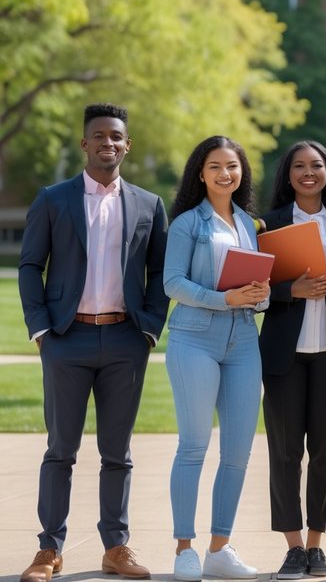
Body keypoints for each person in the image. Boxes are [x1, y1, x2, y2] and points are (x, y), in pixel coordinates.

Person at [18, 103, 168, 582]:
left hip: (126, 339)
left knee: (117, 452)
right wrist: (41, 330)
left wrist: (148, 329)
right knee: (60, 449)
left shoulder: (148, 205)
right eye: (99, 136)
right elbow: (29, 266)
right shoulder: (53, 199)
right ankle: (49, 550)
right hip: (67, 338)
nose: (108, 143)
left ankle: (116, 547)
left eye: (117, 136)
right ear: (85, 144)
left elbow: (159, 272)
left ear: (128, 145)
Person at [163, 136, 269, 581]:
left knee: (239, 451)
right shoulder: (188, 223)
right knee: (194, 445)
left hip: (244, 341)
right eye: (215, 167)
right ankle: (185, 548)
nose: (225, 173)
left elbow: (254, 288)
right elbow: (173, 283)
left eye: (232, 166)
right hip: (194, 340)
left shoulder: (249, 223)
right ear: (200, 174)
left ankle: (219, 549)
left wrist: (258, 297)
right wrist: (222, 298)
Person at [260, 141, 326, 579]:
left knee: (324, 451)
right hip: (284, 350)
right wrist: (289, 290)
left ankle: (316, 544)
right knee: (285, 451)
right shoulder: (269, 223)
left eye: (316, 165)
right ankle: (292, 545)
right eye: (299, 166)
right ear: (287, 174)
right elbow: (252, 281)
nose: (308, 173)